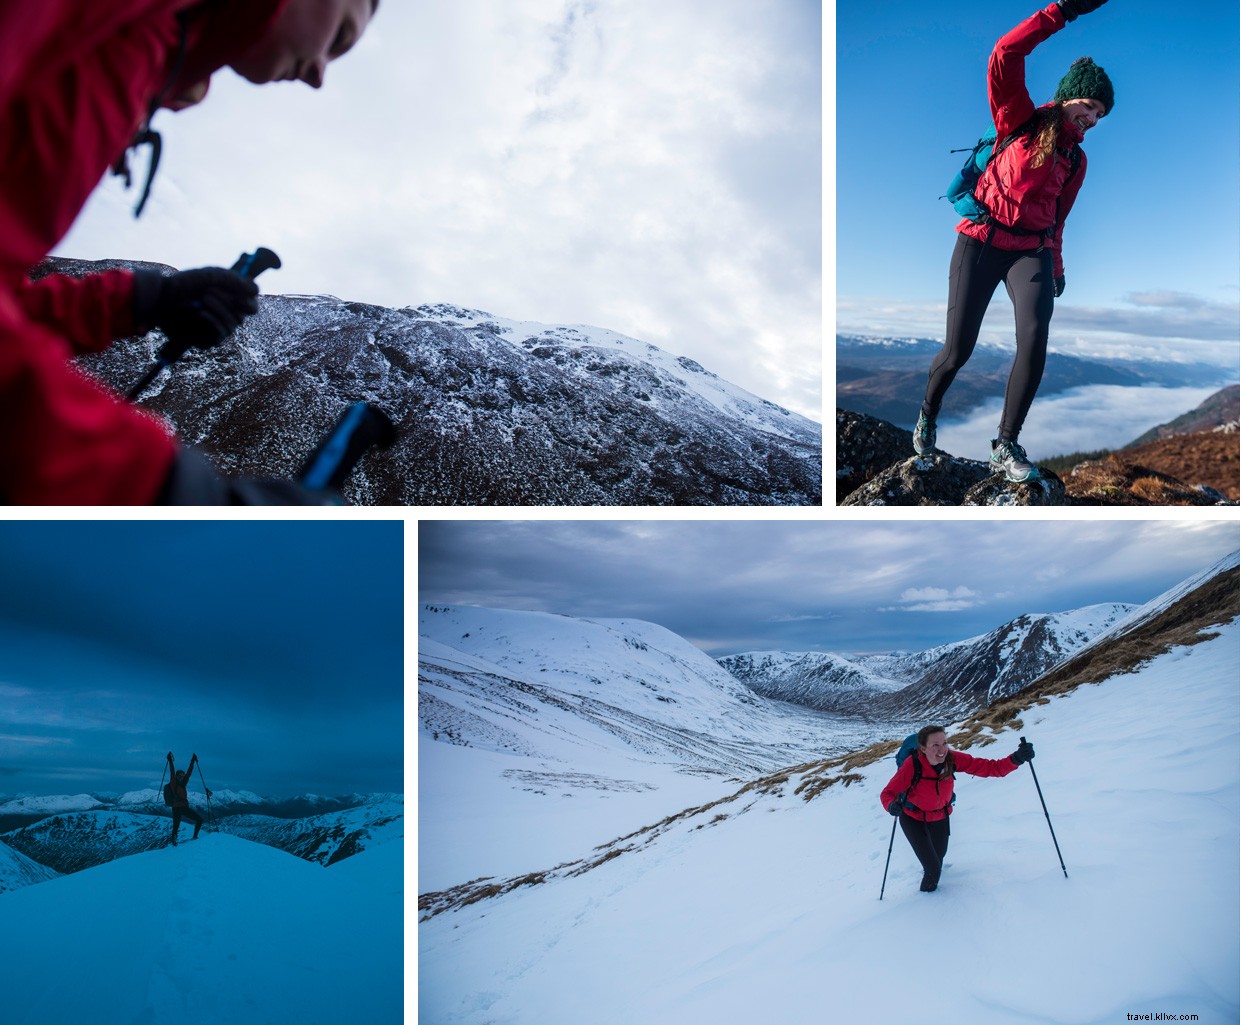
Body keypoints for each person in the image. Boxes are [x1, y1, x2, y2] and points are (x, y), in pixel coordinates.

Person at [0, 0, 379, 505]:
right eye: (338, 39)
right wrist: (173, 494)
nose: (319, 75)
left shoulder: (147, 46)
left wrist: (143, 301)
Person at [912, 0, 1114, 483]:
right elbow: (1004, 53)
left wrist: (1057, 267)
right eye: (1089, 106)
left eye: (1100, 115)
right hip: (981, 240)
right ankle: (926, 415)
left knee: (1035, 339)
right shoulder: (1019, 119)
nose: (1092, 119)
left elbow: (1058, 220)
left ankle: (1005, 444)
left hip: (1032, 250)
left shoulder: (1076, 161)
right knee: (958, 350)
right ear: (1069, 97)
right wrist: (1062, 11)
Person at [879, 725, 1034, 893]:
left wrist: (1017, 758)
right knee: (933, 870)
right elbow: (888, 793)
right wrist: (891, 805)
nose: (942, 749)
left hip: (940, 818)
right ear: (923, 748)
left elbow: (990, 768)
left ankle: (930, 883)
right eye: (935, 745)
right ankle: (926, 905)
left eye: (945, 743)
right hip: (913, 819)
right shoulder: (912, 765)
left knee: (938, 858)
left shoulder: (952, 759)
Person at [165, 751, 212, 845]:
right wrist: (170, 761)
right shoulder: (174, 782)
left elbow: (189, 773)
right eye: (180, 776)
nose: (182, 777)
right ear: (177, 776)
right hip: (180, 807)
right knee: (198, 820)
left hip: (178, 808)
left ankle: (175, 843)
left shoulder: (183, 783)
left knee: (176, 826)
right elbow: (172, 771)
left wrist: (192, 761)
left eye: (183, 776)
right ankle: (193, 837)